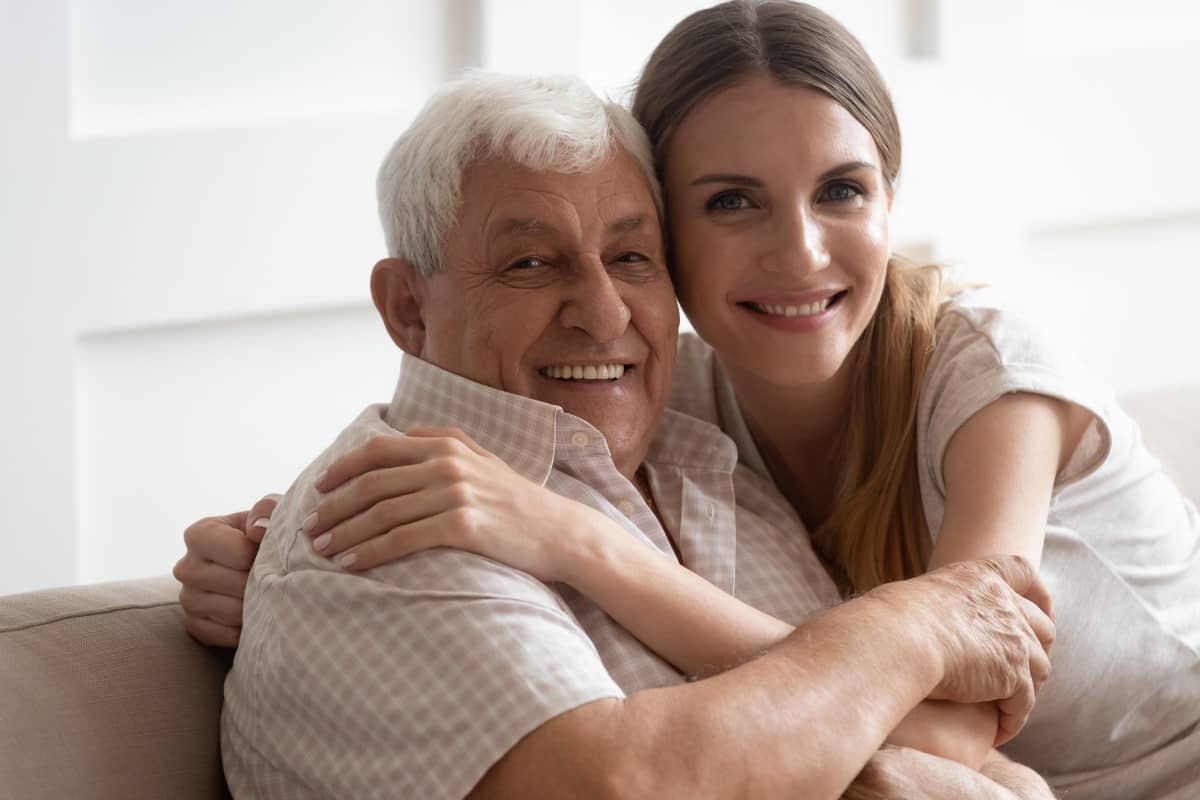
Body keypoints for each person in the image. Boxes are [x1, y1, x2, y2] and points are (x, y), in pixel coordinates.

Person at [206, 69, 1057, 800]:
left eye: (632, 257)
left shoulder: (719, 469)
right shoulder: (390, 525)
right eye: (531, 264)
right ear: (407, 308)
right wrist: (909, 636)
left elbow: (958, 740)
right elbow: (628, 785)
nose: (605, 313)